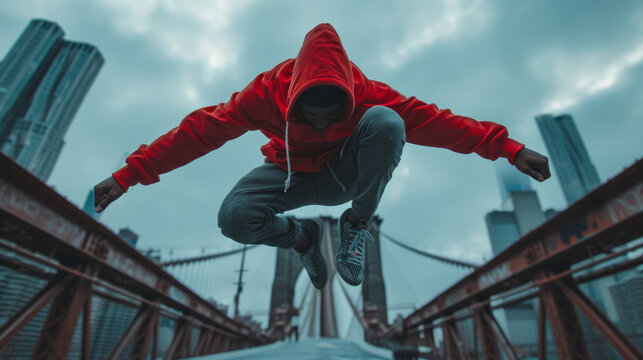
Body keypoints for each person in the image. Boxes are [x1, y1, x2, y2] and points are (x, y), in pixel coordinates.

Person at [94, 23, 550, 290]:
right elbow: (198, 132)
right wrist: (128, 175)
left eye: (330, 116)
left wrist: (507, 148)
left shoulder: (369, 94)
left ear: (348, 98)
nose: (317, 125)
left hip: (341, 177)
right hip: (285, 173)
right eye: (307, 116)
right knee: (233, 217)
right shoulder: (262, 95)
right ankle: (305, 240)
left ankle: (356, 226)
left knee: (390, 121)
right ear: (291, 98)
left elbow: (438, 122)